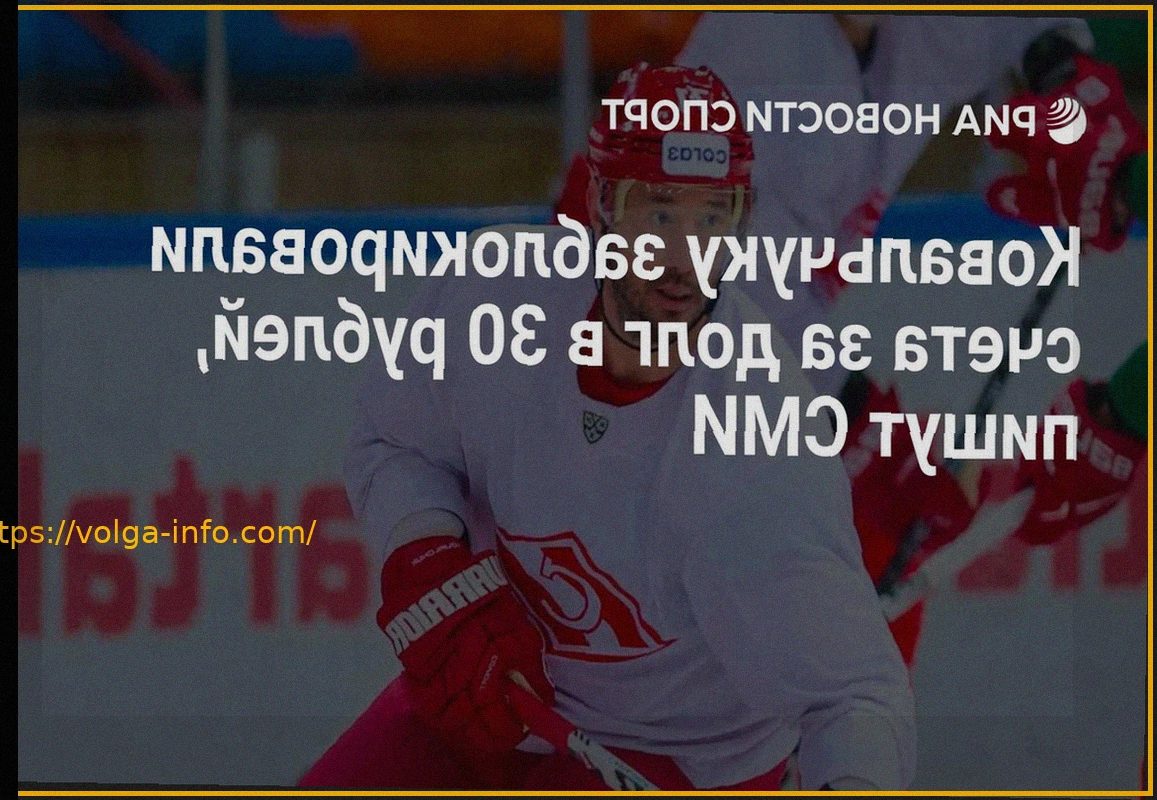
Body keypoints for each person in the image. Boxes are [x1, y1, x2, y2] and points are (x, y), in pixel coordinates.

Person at [300, 63, 916, 791]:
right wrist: (426, 550)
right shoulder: (492, 298)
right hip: (485, 701)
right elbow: (395, 439)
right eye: (659, 212)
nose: (685, 257)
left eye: (713, 217)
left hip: (676, 755)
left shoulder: (760, 440)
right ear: (599, 204)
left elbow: (854, 696)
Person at [554, 12, 1147, 668]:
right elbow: (713, 311)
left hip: (731, 364)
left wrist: (1064, 76)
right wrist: (859, 429)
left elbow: (1019, 24)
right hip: (627, 382)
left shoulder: (916, 31)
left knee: (860, 592)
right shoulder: (763, 60)